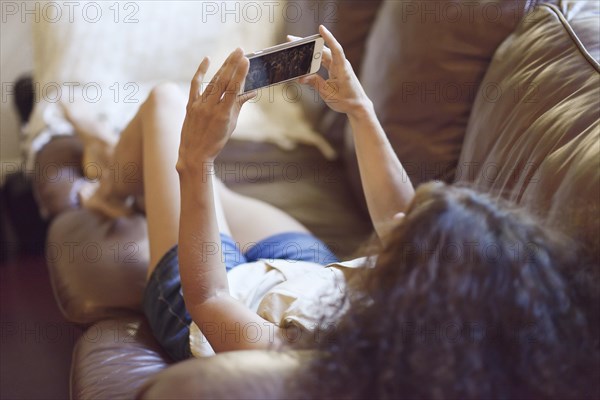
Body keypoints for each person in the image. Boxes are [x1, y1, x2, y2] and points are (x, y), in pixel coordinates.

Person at [69, 25, 597, 398]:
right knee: (200, 187)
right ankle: (123, 163)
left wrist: (196, 159)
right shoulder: (445, 314)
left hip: (219, 292)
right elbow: (397, 218)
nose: (401, 224)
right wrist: (358, 111)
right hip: (311, 275)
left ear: (404, 297)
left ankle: (106, 193)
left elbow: (209, 297)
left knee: (165, 107)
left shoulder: (303, 357)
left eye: (404, 243)